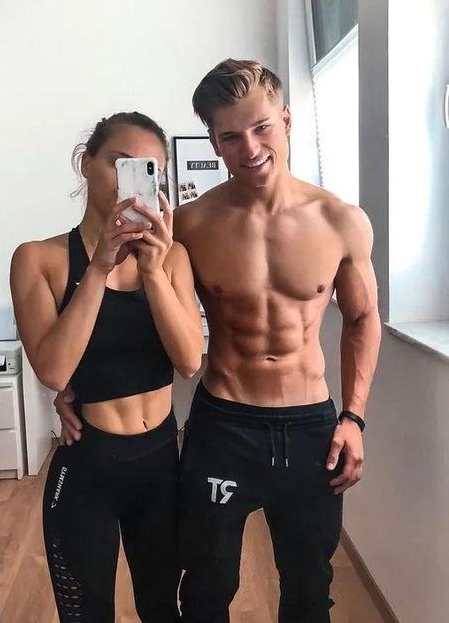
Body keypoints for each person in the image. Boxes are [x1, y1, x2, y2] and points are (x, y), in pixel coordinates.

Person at [56, 59, 381, 622]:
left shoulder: (341, 221)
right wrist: (74, 385)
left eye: (261, 128)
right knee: (205, 587)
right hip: (224, 425)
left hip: (311, 427)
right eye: (230, 137)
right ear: (214, 143)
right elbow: (125, 300)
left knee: (310, 588)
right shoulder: (190, 223)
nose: (249, 148)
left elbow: (362, 319)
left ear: (286, 120)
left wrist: (353, 417)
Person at [10, 112, 203, 623]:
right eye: (120, 164)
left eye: (148, 170)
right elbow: (54, 371)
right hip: (87, 467)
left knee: (161, 608)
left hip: (160, 463)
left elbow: (188, 361)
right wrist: (98, 266)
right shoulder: (39, 260)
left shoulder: (173, 258)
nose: (132, 181)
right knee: (86, 614)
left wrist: (152, 273)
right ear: (86, 163)